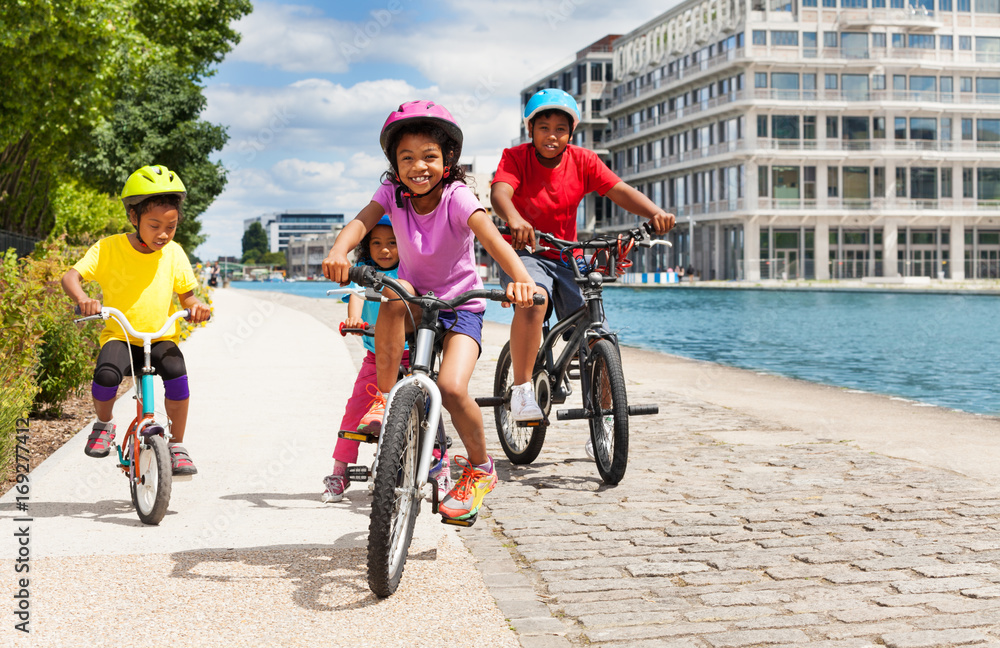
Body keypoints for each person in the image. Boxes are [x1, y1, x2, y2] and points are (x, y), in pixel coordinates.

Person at [322, 100, 540, 522]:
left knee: (453, 388)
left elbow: (493, 240)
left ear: (448, 160)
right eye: (407, 158)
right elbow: (360, 223)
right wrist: (338, 249)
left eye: (429, 157)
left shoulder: (458, 197)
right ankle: (386, 399)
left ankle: (480, 468)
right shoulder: (391, 195)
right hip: (416, 303)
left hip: (461, 306)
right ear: (394, 164)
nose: (418, 166)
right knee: (394, 289)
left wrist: (520, 280)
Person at [490, 89, 676, 456]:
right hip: (525, 252)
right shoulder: (516, 157)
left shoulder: (583, 160)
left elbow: (617, 189)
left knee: (597, 329)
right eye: (543, 127)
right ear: (530, 130)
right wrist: (513, 217)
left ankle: (603, 420)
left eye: (561, 128)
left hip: (566, 254)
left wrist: (654, 213)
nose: (552, 135)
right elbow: (500, 192)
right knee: (534, 299)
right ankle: (523, 388)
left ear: (572, 133)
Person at [61, 165, 211, 475]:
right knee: (105, 377)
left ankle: (177, 445)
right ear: (134, 217)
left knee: (176, 373)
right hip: (122, 336)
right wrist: (83, 299)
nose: (163, 234)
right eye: (154, 225)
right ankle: (103, 424)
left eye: (171, 226)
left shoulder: (174, 253)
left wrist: (197, 306)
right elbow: (71, 276)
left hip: (160, 336)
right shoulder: (109, 248)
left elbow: (187, 296)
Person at [321, 215, 451, 503]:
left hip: (414, 354)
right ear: (367, 246)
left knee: (431, 411)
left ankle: (440, 466)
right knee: (355, 410)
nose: (384, 250)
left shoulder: (410, 271)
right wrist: (353, 317)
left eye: (392, 243)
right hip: (376, 358)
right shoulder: (364, 272)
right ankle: (339, 471)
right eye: (377, 243)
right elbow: (356, 295)